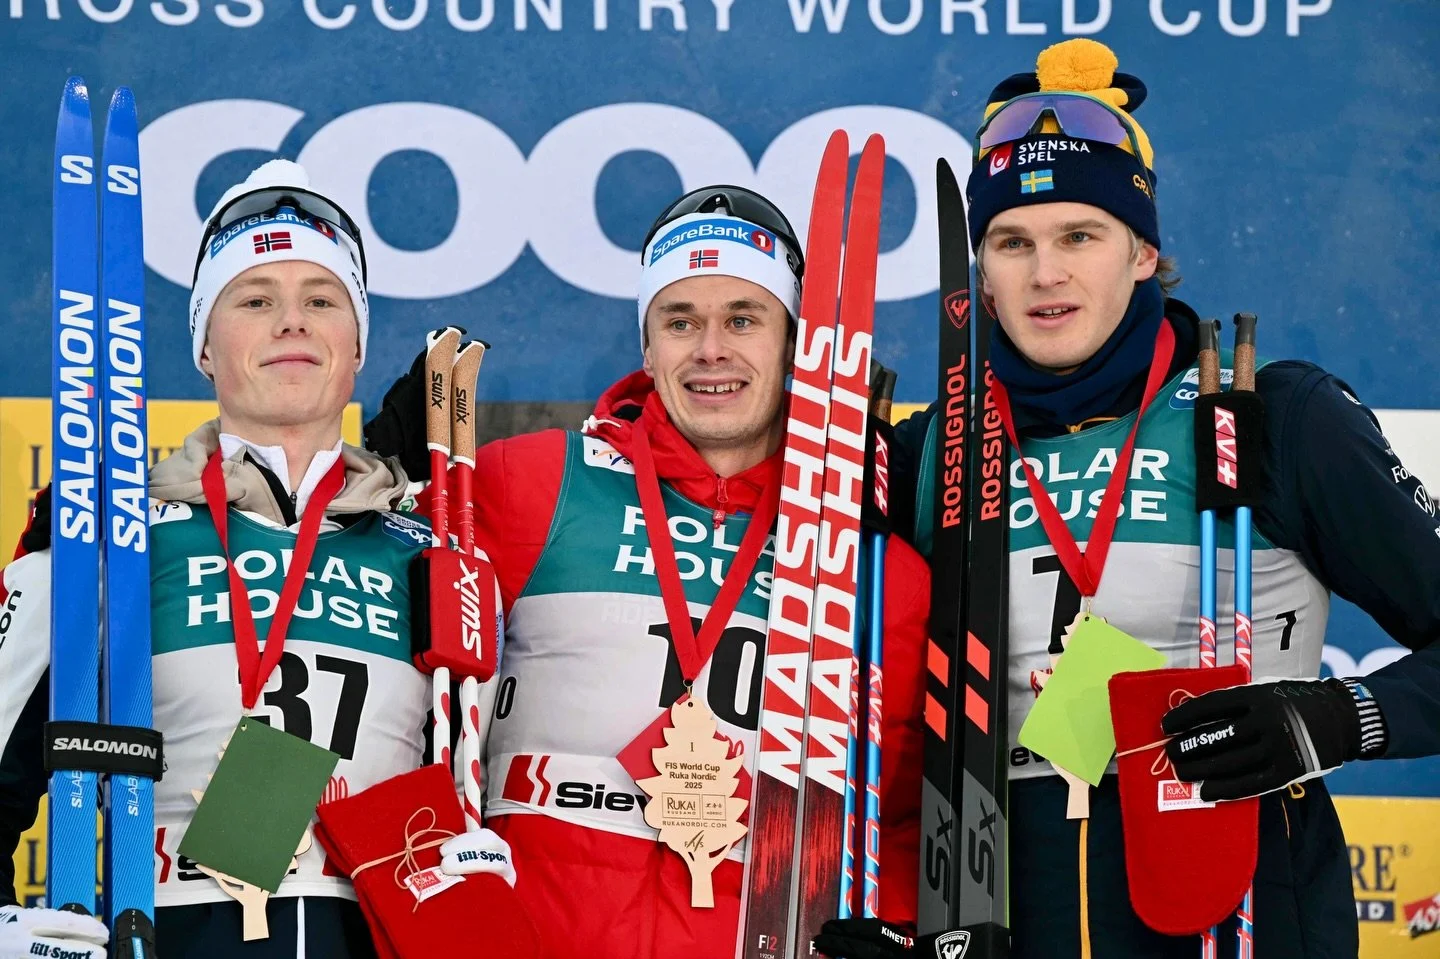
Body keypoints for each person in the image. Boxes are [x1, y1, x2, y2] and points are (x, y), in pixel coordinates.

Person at [816, 38, 1440, 959]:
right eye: (1011, 243)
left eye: (1080, 236)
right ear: (978, 273)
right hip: (998, 914)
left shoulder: (1267, 416)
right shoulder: (929, 453)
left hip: (1231, 899)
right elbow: (866, 714)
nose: (1046, 273)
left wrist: (1328, 718)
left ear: (1144, 252)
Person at [362, 184, 934, 958]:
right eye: (679, 321)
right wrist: (370, 498)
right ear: (646, 346)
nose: (710, 350)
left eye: (743, 318)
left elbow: (898, 819)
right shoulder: (529, 485)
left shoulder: (871, 570)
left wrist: (901, 928)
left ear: (796, 343)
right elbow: (359, 659)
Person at [0, 160, 502, 957]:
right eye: (256, 299)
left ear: (356, 341)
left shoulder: (432, 554)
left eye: (321, 300)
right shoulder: (114, 535)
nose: (291, 322)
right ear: (205, 343)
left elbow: (479, 768)